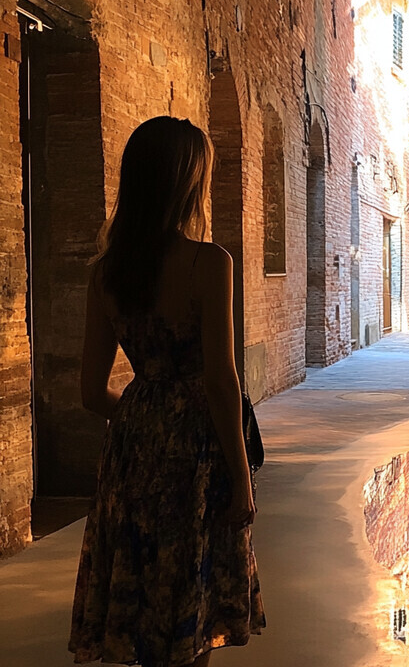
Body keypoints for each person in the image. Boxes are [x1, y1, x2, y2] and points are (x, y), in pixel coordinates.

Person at [69, 117, 265, 667]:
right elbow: (221, 381)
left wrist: (142, 418)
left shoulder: (107, 273)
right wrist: (240, 480)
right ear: (186, 184)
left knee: (137, 587)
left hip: (131, 451)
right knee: (191, 599)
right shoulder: (209, 263)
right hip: (196, 457)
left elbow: (89, 392)